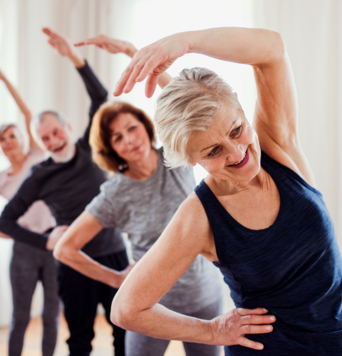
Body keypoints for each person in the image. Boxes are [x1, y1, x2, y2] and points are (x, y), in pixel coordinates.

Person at [110, 27, 342, 355]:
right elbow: (126, 309)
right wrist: (212, 330)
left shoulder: (278, 145)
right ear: (192, 159)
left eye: (236, 129)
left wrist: (187, 42)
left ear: (243, 112)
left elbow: (272, 49)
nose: (237, 154)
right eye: (213, 152)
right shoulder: (199, 216)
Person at [54, 35, 224, 356]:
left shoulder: (175, 156)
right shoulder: (114, 193)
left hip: (204, 298)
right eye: (118, 137)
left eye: (131, 128)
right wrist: (116, 279)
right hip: (149, 308)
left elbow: (184, 102)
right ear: (111, 149)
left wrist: (135, 53)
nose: (129, 140)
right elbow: (65, 249)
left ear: (145, 127)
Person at [0, 28, 128, 356]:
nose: (53, 141)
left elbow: (100, 98)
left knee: (125, 331)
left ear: (68, 128)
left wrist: (74, 57)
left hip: (113, 253)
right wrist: (46, 241)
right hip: (73, 262)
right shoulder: (40, 176)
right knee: (79, 338)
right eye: (45, 138)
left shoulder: (88, 149)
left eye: (56, 132)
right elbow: (5, 220)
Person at [0, 60, 59, 356]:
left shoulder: (38, 157)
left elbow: (27, 114)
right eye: (3, 139)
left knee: (51, 316)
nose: (9, 142)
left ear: (23, 139)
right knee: (20, 316)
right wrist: (11, 236)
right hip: (23, 251)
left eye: (13, 135)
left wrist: (4, 79)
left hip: (52, 244)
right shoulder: (0, 180)